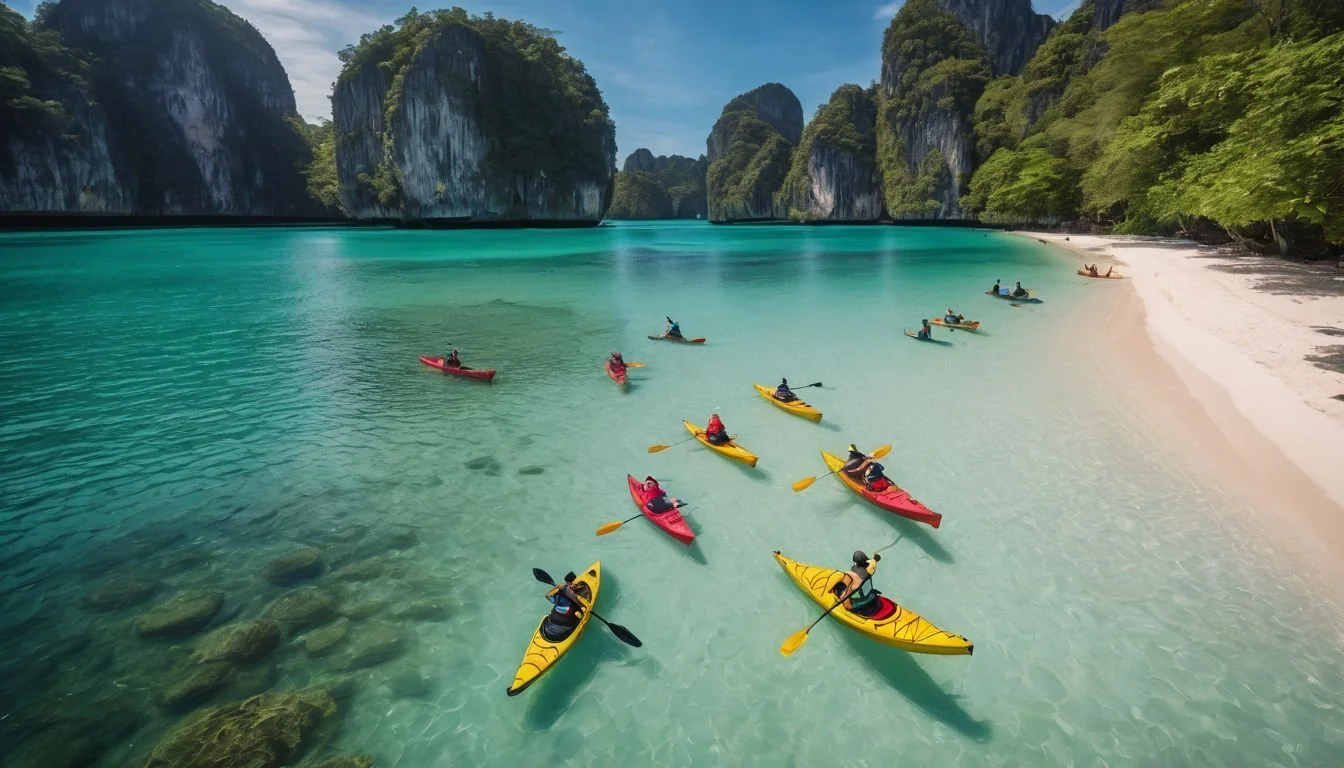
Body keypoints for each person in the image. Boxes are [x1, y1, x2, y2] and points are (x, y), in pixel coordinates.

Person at [829, 551, 884, 618]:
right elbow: (873, 562)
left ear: (855, 563)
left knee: (839, 588)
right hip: (872, 599)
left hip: (859, 607)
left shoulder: (851, 575)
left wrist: (839, 598)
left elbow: (847, 602)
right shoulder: (869, 572)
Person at [540, 571, 591, 642]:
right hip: (565, 626)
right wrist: (584, 608)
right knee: (578, 613)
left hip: (551, 623)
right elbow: (580, 604)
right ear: (571, 582)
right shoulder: (571, 596)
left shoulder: (557, 594)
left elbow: (550, 598)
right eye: (574, 581)